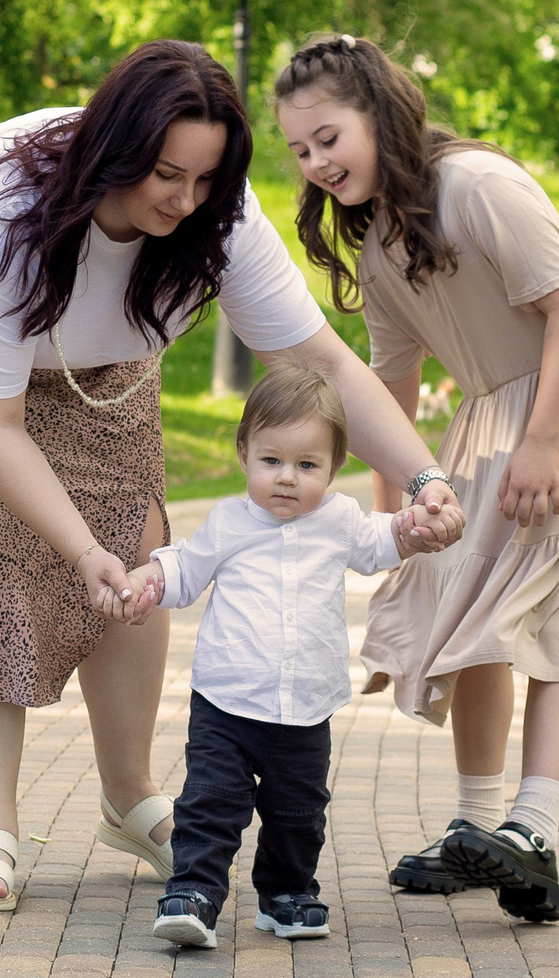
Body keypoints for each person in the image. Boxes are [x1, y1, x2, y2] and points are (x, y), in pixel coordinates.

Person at [0, 40, 464, 913]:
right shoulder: (3, 215)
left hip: (103, 349)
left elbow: (318, 356)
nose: (184, 199)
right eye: (165, 174)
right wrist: (75, 547)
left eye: (205, 179)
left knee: (138, 539)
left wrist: (426, 472)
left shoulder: (218, 217)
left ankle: (130, 798)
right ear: (116, 150)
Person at [274, 34, 559, 925]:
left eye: (329, 137)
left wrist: (545, 441)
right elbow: (387, 383)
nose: (318, 162)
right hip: (488, 410)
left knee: (550, 610)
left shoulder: (479, 186)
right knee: (467, 604)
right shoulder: (378, 234)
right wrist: (398, 524)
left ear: (378, 112)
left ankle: (535, 831)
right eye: (300, 150)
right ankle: (482, 829)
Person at [126, 367, 445, 948]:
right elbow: (186, 570)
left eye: (307, 466)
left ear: (335, 466)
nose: (287, 479)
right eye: (271, 461)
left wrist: (415, 528)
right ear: (245, 452)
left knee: (298, 812)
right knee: (211, 804)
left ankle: (286, 894)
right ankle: (194, 892)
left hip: (305, 706)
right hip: (227, 701)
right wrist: (150, 579)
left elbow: (382, 543)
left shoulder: (340, 521)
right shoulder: (228, 522)